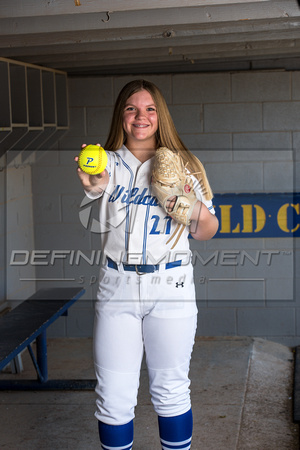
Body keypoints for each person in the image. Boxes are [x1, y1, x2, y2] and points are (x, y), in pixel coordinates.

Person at [75, 79, 218, 450]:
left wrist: (187, 205)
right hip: (117, 286)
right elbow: (93, 213)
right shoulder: (105, 164)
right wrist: (94, 188)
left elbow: (208, 230)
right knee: (114, 398)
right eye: (132, 108)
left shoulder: (184, 165)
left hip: (170, 285)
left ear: (160, 116)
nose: (141, 116)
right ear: (121, 116)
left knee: (170, 390)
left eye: (150, 109)